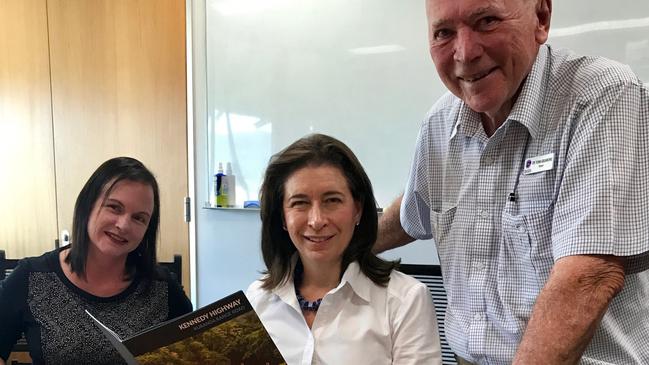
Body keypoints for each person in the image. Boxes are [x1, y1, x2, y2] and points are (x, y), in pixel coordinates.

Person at [376, 0, 649, 364]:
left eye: (487, 21)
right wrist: (333, 248)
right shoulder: (440, 123)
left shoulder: (601, 96)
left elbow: (589, 275)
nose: (465, 52)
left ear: (541, 17)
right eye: (444, 33)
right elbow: (413, 212)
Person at [246, 134, 443, 364]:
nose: (317, 220)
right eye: (300, 202)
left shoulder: (407, 300)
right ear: (282, 217)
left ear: (357, 209)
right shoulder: (257, 298)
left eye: (332, 200)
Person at [0, 157, 192, 365]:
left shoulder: (162, 288)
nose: (123, 225)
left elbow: (196, 353)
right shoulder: (33, 277)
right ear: (87, 205)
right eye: (114, 207)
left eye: (139, 218)